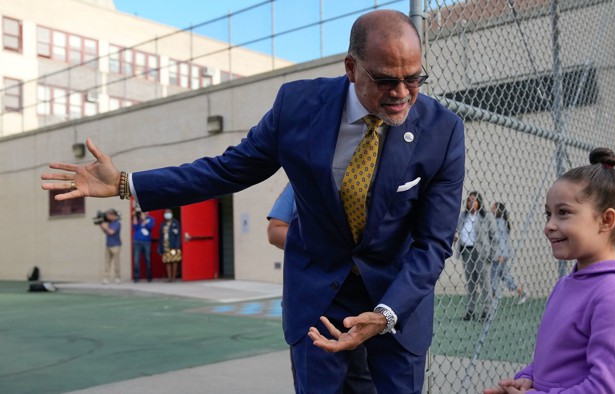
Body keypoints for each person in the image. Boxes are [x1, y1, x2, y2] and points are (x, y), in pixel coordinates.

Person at [41, 10, 465, 393]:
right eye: (387, 80)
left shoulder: (442, 131)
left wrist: (387, 312)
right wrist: (125, 183)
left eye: (414, 79)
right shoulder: (297, 106)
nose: (403, 94)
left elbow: (433, 243)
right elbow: (226, 170)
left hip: (396, 299)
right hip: (319, 296)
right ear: (351, 69)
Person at [484, 148, 615, 394]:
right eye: (548, 214)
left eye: (563, 213)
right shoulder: (566, 283)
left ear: (606, 220)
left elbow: (608, 389)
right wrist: (529, 378)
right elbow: (556, 355)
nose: (549, 225)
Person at [266, 183, 376, 394]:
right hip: (314, 306)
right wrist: (325, 245)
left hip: (363, 306)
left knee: (362, 382)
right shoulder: (304, 172)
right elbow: (275, 229)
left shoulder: (372, 171)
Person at [455, 191, 495, 322]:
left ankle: (487, 311)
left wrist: (491, 255)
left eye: (474, 200)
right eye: (469, 200)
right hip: (467, 252)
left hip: (481, 254)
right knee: (471, 283)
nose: (471, 203)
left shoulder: (486, 216)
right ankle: (471, 311)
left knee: (484, 283)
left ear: (479, 203)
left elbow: (494, 237)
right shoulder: (462, 216)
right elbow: (456, 231)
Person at [489, 202, 527, 304]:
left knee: (493, 276)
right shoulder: (501, 221)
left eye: (493, 207)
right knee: (504, 275)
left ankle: (494, 297)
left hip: (499, 254)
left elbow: (501, 239)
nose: (491, 208)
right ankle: (520, 292)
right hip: (502, 253)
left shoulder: (499, 221)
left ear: (498, 209)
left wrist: (501, 254)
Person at [131, 207, 155, 282]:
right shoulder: (138, 218)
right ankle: (136, 277)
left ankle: (149, 276)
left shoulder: (151, 219)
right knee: (136, 260)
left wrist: (144, 219)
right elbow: (134, 227)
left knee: (148, 259)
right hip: (137, 241)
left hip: (146, 242)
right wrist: (135, 216)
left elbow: (150, 227)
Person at [158, 209, 182, 282]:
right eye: (166, 213)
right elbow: (160, 237)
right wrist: (160, 248)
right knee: (167, 261)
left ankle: (174, 277)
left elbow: (178, 235)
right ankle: (169, 277)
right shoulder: (163, 224)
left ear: (171, 214)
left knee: (174, 260)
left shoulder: (175, 223)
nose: (167, 214)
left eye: (168, 213)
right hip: (166, 245)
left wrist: (177, 245)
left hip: (174, 245)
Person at [99, 208, 122, 284]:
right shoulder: (109, 223)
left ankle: (117, 278)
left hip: (116, 245)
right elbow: (105, 231)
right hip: (108, 245)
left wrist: (105, 226)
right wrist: (100, 225)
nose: (107, 217)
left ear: (113, 215)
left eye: (108, 215)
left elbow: (111, 232)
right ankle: (106, 278)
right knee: (107, 263)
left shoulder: (117, 223)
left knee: (116, 263)